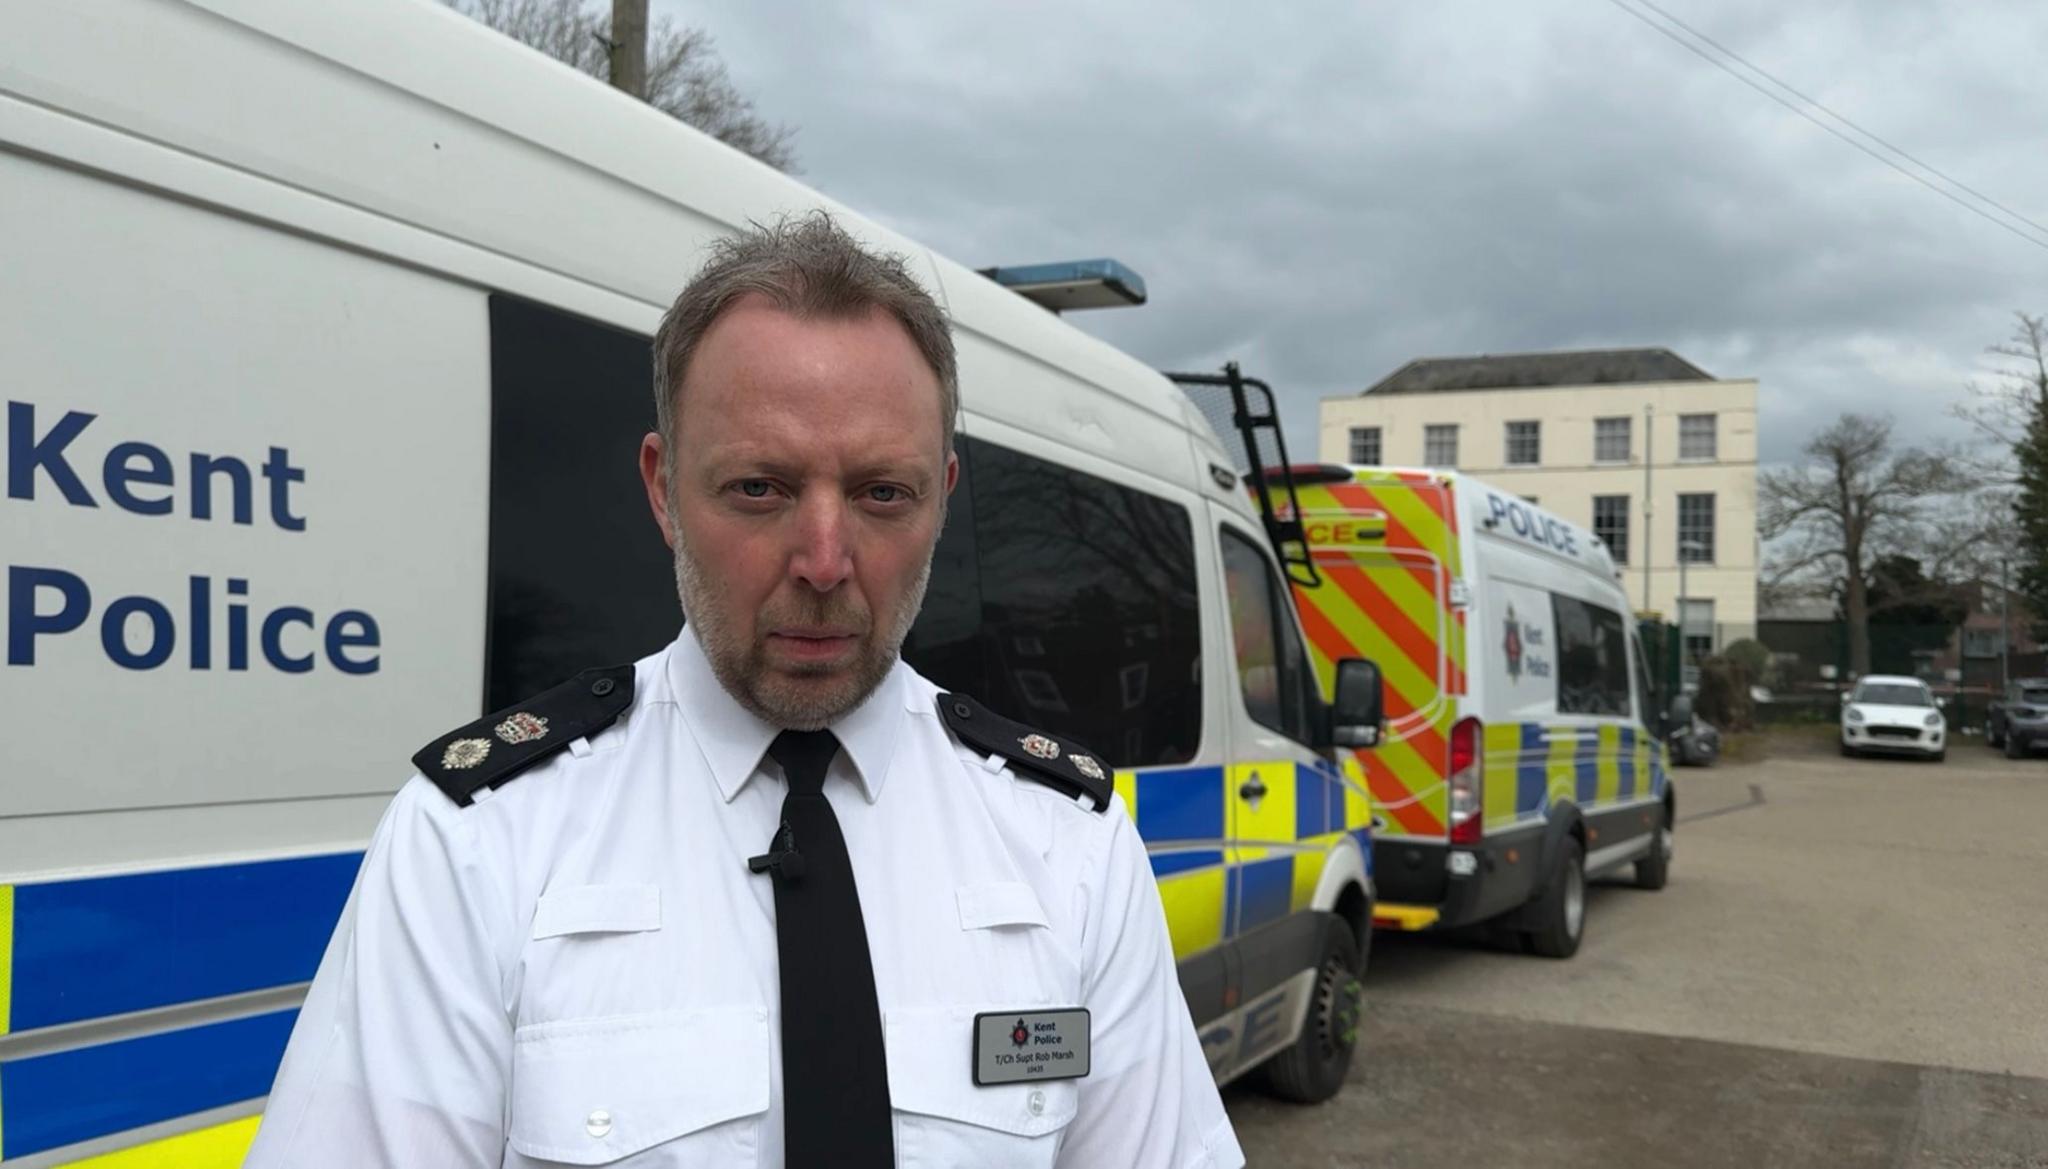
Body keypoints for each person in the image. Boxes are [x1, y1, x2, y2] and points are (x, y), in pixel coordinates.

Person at [246, 212, 1245, 1169]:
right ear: (661, 486)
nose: (822, 558)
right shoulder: (477, 841)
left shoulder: (1066, 843)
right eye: (759, 488)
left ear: (941, 495)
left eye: (879, 493)